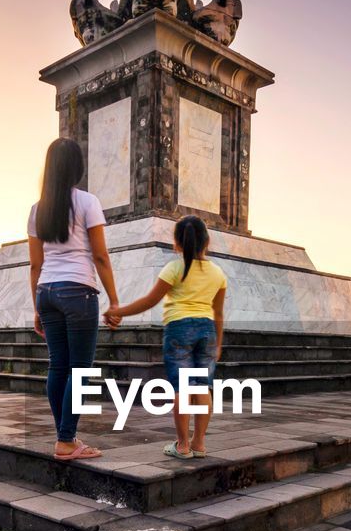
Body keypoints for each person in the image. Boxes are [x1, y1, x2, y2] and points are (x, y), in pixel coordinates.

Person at [28, 138, 120, 460]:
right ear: (76, 167)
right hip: (78, 291)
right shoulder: (87, 202)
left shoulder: (37, 209)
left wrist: (37, 307)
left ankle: (65, 436)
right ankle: (66, 441)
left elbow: (36, 264)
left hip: (47, 293)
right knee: (80, 371)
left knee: (59, 366)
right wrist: (114, 300)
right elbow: (101, 257)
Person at [105, 215, 226, 458]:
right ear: (207, 241)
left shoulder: (174, 268)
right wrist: (219, 344)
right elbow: (218, 314)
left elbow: (149, 301)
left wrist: (118, 312)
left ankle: (182, 445)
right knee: (202, 387)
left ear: (177, 243)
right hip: (207, 331)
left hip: (178, 329)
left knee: (182, 388)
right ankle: (199, 443)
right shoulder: (218, 273)